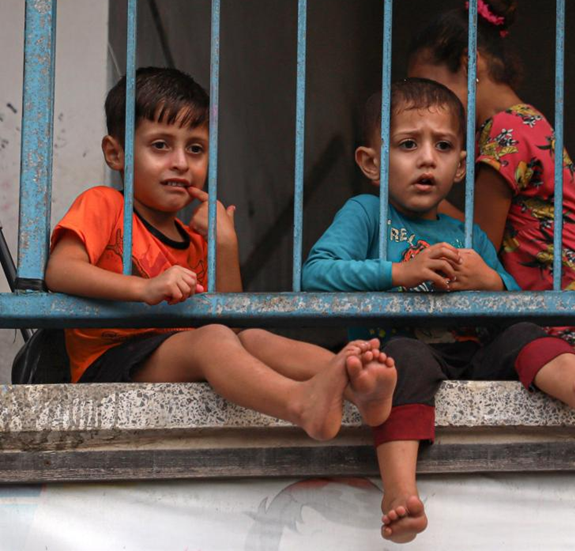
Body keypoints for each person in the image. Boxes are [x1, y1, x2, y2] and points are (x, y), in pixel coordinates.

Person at [303, 78, 575, 544]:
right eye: (408, 144)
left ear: (459, 166)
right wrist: (400, 272)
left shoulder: (467, 235)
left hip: (473, 353)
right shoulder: (367, 213)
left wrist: (491, 283)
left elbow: (514, 304)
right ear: (371, 163)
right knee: (402, 361)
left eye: (444, 146)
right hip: (403, 352)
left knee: (524, 333)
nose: (427, 159)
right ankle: (399, 492)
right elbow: (317, 273)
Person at [44, 67, 396, 441]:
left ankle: (357, 382)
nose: (181, 162)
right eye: (160, 145)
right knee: (211, 339)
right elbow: (60, 271)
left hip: (179, 354)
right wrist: (143, 288)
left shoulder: (196, 240)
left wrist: (225, 246)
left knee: (254, 338)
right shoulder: (105, 204)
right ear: (115, 153)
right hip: (110, 360)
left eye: (195, 149)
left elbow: (233, 326)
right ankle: (299, 403)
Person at [407, 0, 575, 382]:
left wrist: (415, 199)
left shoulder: (506, 130)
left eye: (429, 88)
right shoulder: (524, 121)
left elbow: (479, 245)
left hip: (573, 325)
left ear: (468, 63)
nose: (424, 106)